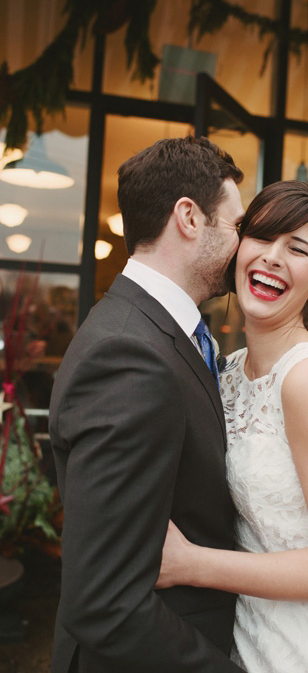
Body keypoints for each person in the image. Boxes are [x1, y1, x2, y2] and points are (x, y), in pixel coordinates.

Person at [156, 180, 308, 673]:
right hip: (247, 633)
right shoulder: (227, 371)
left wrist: (190, 564)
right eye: (262, 237)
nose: (272, 257)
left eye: (298, 248)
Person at [48, 136, 247, 672]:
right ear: (189, 217)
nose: (247, 246)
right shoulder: (130, 354)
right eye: (236, 226)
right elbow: (105, 602)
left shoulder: (157, 332)